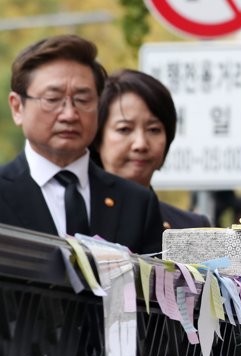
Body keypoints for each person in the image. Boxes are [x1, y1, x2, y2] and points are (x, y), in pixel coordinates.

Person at [0, 35, 163, 254]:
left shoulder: (137, 202)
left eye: (83, 100)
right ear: (18, 107)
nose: (69, 114)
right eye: (53, 99)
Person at [93, 69, 210, 230]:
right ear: (98, 137)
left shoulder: (192, 228)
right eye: (124, 129)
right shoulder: (71, 217)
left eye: (154, 129)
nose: (140, 144)